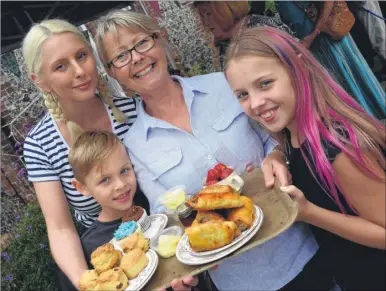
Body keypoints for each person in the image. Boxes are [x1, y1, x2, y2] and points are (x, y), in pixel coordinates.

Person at [93, 10, 336, 291]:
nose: (136, 58)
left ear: (161, 40)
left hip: (298, 246)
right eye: (121, 56)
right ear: (112, 73)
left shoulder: (223, 85)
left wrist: (276, 155)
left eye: (142, 43)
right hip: (237, 280)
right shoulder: (134, 145)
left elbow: (276, 135)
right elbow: (165, 212)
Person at [225, 26, 386, 290]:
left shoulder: (337, 146)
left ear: (297, 69)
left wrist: (308, 213)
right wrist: (276, 155)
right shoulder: (291, 135)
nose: (255, 103)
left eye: (265, 83)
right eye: (243, 95)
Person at [22, 19, 149, 290]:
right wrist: (89, 281)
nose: (80, 71)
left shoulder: (134, 109)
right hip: (107, 249)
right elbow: (59, 227)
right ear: (40, 81)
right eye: (61, 66)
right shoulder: (40, 144)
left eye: (81, 56)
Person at [276, 1, 386, 120]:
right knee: (339, 89)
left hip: (329, 37)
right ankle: (361, 122)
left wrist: (314, 33)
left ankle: (371, 119)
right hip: (312, 46)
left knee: (352, 79)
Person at [68, 131, 137, 268]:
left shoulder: (152, 204)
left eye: (124, 170)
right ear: (82, 188)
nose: (120, 185)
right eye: (105, 180)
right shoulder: (91, 248)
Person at [194, 1, 294, 69]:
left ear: (228, 9)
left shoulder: (263, 29)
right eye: (202, 16)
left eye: (208, 14)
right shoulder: (226, 43)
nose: (205, 23)